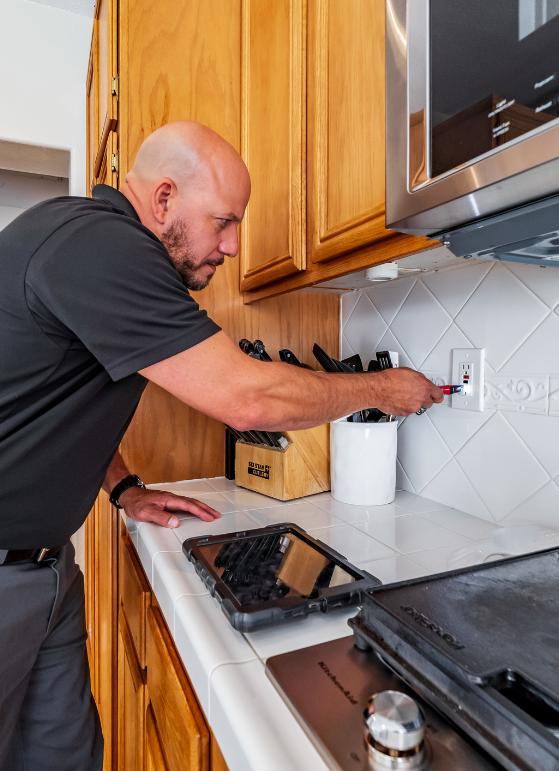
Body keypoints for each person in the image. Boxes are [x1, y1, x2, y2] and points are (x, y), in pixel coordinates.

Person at [0, 121, 443, 770]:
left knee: (60, 757)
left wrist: (122, 487)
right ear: (162, 200)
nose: (233, 246)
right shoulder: (103, 246)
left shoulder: (84, 244)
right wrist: (382, 389)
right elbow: (249, 399)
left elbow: (56, 395)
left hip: (43, 569)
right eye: (224, 221)